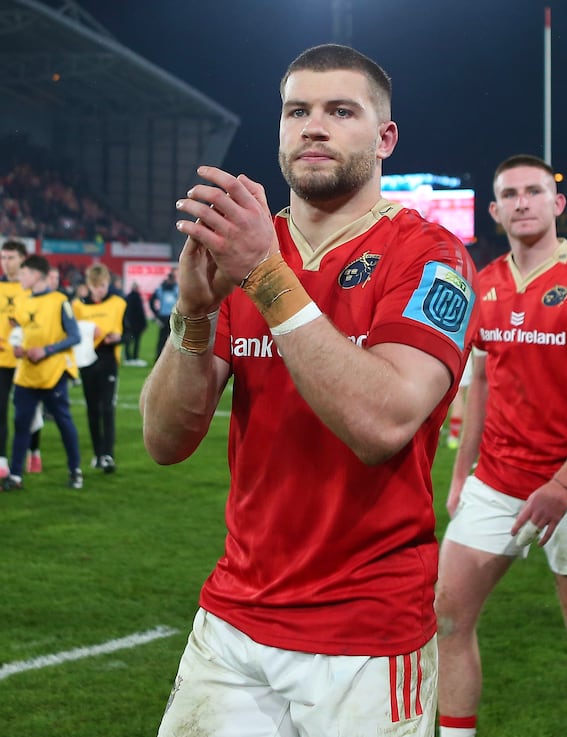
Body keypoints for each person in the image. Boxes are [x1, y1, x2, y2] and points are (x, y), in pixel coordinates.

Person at [139, 43, 476, 737]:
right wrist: (195, 316)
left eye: (340, 110)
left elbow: (382, 424)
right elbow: (165, 440)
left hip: (365, 630)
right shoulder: (251, 250)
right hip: (236, 614)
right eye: (297, 111)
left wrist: (263, 273)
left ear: (384, 137)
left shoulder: (429, 256)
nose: (313, 126)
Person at [436, 155, 567, 737]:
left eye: (534, 192)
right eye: (510, 194)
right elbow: (481, 385)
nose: (522, 202)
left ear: (556, 203)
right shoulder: (485, 284)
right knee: (446, 617)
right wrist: (461, 473)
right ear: (495, 210)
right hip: (495, 484)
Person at [3, 254, 83, 491]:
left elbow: (75, 336)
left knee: (63, 422)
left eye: (24, 273)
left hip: (53, 374)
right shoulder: (22, 301)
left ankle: (75, 470)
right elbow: (21, 331)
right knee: (21, 423)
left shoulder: (59, 301)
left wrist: (46, 350)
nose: (21, 278)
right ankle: (16, 475)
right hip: (26, 374)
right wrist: (18, 348)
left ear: (37, 275)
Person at [73, 263, 126, 472]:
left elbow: (130, 329)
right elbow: (72, 333)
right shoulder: (78, 306)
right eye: (95, 286)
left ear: (108, 283)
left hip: (108, 359)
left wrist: (120, 338)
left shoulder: (118, 303)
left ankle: (108, 455)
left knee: (107, 408)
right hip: (87, 360)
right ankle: (97, 453)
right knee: (92, 409)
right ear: (89, 285)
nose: (99, 289)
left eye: (102, 285)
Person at [0, 239, 29, 479]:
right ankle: (1, 460)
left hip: (26, 361)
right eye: (3, 257)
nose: (5, 263)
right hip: (1, 361)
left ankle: (33, 451)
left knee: (26, 415)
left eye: (10, 258)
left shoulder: (29, 290)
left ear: (22, 259)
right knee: (0, 411)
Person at [148, 267, 178, 360]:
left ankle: (170, 359)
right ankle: (159, 358)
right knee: (162, 339)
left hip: (172, 315)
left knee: (173, 339)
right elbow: (151, 301)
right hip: (164, 317)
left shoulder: (175, 288)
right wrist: (156, 314)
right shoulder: (162, 289)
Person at [122, 281, 148, 366]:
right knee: (137, 341)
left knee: (128, 341)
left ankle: (127, 357)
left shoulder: (127, 297)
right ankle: (135, 357)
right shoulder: (137, 298)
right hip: (137, 324)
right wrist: (144, 324)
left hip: (128, 323)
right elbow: (140, 312)